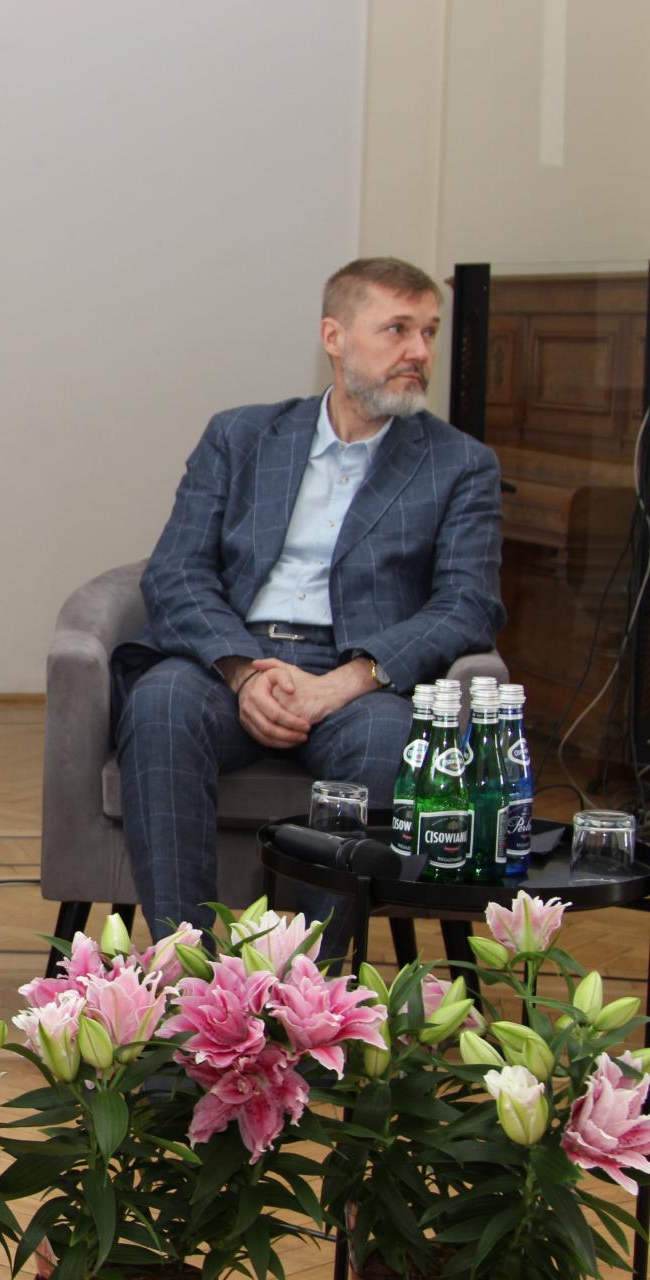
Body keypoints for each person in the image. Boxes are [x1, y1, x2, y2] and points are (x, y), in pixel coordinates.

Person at [114, 256, 505, 944]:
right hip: (236, 655)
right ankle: (187, 965)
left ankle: (313, 986)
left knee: (389, 738)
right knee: (161, 701)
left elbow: (466, 603)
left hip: (360, 679)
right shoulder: (240, 436)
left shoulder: (460, 463)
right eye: (397, 329)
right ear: (334, 336)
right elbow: (176, 571)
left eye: (429, 332)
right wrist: (242, 671)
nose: (419, 352)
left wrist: (343, 683)